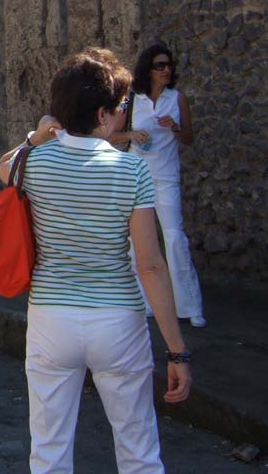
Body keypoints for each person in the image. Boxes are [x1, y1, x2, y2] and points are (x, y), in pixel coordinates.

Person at [0, 49, 191, 473]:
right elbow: (150, 266)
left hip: (51, 317)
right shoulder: (131, 172)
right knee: (139, 450)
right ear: (102, 114)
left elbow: (2, 167)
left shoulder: (34, 165)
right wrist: (177, 352)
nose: (123, 114)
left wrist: (36, 137)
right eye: (121, 107)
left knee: (49, 451)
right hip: (117, 318)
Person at [112, 44, 205, 329]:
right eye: (160, 66)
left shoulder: (178, 99)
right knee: (136, 241)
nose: (167, 70)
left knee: (175, 237)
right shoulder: (131, 100)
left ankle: (189, 305)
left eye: (169, 65)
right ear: (148, 70)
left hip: (166, 176)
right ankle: (145, 301)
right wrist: (132, 133)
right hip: (137, 176)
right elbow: (112, 135)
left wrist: (175, 127)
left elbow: (189, 138)